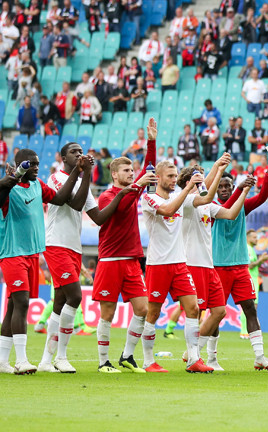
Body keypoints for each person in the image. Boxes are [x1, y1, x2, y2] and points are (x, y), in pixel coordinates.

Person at [38, 144, 132, 373]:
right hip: (56, 244)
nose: (79, 155)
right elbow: (74, 203)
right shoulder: (56, 178)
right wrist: (85, 172)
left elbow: (98, 217)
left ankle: (45, 361)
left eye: (81, 152)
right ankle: (61, 357)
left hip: (73, 247)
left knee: (60, 301)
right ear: (63, 157)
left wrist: (119, 196)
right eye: (74, 152)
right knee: (75, 295)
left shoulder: (82, 184)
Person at [0, 150, 82, 374]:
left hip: (32, 253)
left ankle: (2, 361)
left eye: (38, 164)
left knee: (11, 307)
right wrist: (8, 181)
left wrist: (75, 171)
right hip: (12, 252)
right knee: (22, 303)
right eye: (32, 165)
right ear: (21, 166)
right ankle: (22, 360)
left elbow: (60, 198)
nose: (37, 168)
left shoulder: (38, 186)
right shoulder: (8, 187)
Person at [90, 118, 158, 374]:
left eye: (133, 171)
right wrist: (137, 186)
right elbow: (121, 206)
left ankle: (127, 356)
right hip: (109, 262)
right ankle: (102, 361)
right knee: (107, 313)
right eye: (127, 171)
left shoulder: (132, 190)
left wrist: (151, 141)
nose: (132, 174)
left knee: (143, 309)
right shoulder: (108, 195)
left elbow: (148, 168)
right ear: (115, 174)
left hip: (131, 261)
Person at [140, 162, 215, 373]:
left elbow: (207, 199)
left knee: (194, 309)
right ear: (159, 178)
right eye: (170, 176)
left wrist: (215, 170)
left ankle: (193, 359)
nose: (174, 179)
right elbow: (168, 209)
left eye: (175, 176)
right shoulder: (150, 198)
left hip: (180, 264)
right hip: (158, 264)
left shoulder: (182, 197)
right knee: (153, 314)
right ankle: (148, 361)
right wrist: (187, 187)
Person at [179, 162, 252, 370]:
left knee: (219, 311)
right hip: (192, 264)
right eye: (200, 179)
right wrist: (218, 170)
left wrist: (244, 192)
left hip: (209, 265)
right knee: (195, 312)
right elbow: (208, 195)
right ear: (189, 182)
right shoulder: (186, 201)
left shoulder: (205, 205)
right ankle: (194, 358)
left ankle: (192, 353)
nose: (204, 182)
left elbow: (230, 214)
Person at [211, 167, 268, 370]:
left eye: (227, 186)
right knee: (216, 314)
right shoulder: (210, 206)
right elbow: (227, 211)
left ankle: (259, 356)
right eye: (220, 186)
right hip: (218, 267)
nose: (223, 189)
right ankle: (210, 358)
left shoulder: (241, 206)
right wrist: (240, 189)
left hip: (240, 266)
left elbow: (263, 197)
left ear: (231, 187)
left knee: (250, 309)